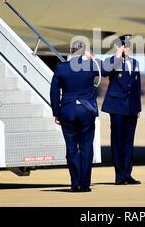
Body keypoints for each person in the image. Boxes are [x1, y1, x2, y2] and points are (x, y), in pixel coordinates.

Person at [50, 40, 100, 192]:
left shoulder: (61, 68)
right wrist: (92, 59)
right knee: (86, 148)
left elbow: (54, 92)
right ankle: (85, 184)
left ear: (70, 51)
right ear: (83, 51)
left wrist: (56, 112)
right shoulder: (90, 66)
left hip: (68, 110)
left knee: (71, 149)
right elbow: (104, 71)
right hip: (86, 111)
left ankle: (75, 183)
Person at [101, 34, 142, 185]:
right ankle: (119, 175)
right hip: (117, 107)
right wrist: (117, 55)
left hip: (131, 107)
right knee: (117, 141)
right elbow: (105, 71)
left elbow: (137, 86)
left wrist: (138, 107)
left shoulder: (135, 63)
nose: (129, 48)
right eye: (126, 46)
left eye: (130, 46)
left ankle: (127, 174)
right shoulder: (112, 62)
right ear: (120, 47)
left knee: (128, 142)